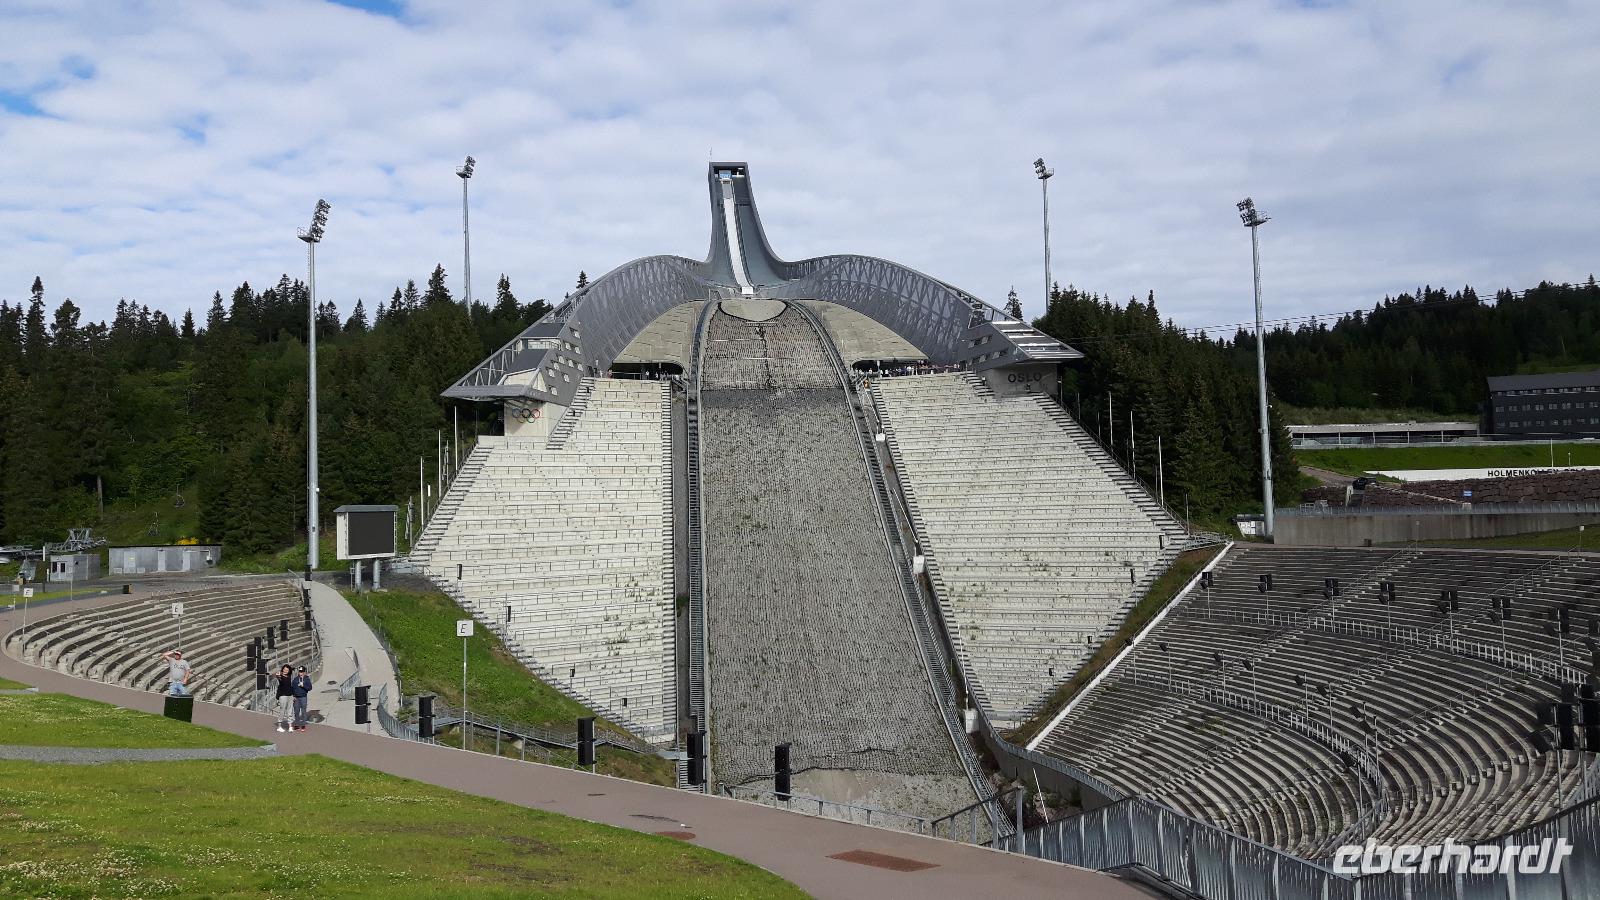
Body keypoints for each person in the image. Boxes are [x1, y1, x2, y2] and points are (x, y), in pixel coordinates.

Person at [290, 666, 313, 732]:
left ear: (305, 672)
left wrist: (303, 686)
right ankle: (297, 725)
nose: (301, 673)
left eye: (302, 672)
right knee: (296, 711)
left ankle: (303, 725)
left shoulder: (307, 679)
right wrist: (293, 696)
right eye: (300, 672)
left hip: (303, 697)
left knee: (303, 712)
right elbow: (292, 688)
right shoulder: (295, 679)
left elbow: (310, 688)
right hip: (296, 698)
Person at [273, 664, 294, 732]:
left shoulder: (289, 676)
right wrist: (278, 675)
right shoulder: (281, 676)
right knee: (282, 710)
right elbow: (278, 677)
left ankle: (290, 726)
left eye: (287, 670)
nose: (285, 671)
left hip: (290, 695)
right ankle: (279, 727)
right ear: (282, 669)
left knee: (290, 711)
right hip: (283, 696)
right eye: (284, 669)